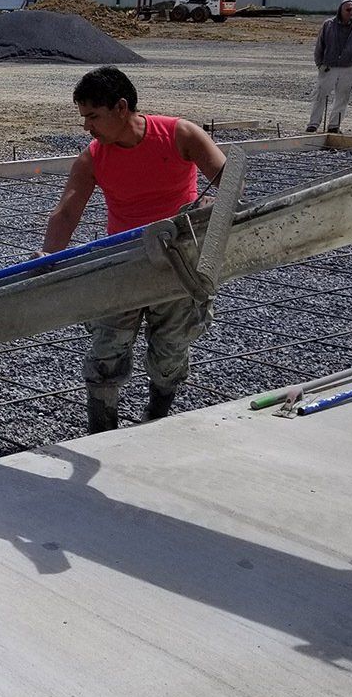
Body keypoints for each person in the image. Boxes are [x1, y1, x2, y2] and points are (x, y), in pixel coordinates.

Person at [41, 66, 227, 435]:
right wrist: (47, 261)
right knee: (106, 351)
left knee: (170, 352)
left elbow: (229, 183)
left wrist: (214, 238)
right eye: (84, 118)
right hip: (123, 262)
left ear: (121, 107)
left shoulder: (179, 135)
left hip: (178, 263)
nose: (87, 128)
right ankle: (102, 431)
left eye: (93, 117)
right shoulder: (94, 156)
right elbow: (66, 213)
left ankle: (157, 413)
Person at [306, 0, 352, 133]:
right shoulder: (329, 24)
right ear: (341, 10)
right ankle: (313, 124)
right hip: (329, 67)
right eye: (348, 9)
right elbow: (320, 45)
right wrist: (319, 64)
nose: (351, 12)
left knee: (343, 98)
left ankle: (334, 126)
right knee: (320, 95)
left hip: (349, 68)